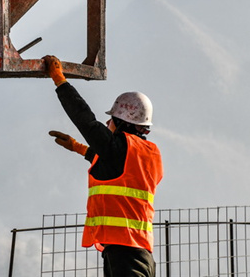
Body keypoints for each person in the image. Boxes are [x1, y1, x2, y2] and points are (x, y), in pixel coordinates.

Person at [42, 55, 163, 277]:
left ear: (122, 122)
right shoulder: (148, 152)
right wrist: (79, 148)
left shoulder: (120, 147)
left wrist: (59, 79)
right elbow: (115, 168)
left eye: (111, 119)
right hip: (138, 253)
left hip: (126, 255)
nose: (107, 123)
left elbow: (85, 120)